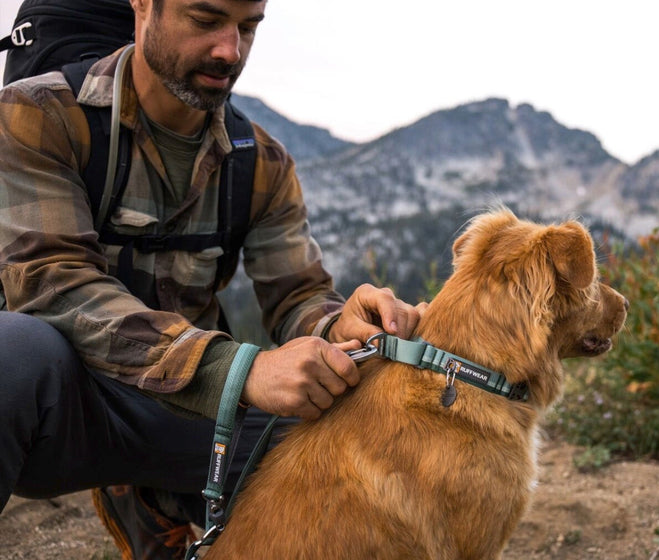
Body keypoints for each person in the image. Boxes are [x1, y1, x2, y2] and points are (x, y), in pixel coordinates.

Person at [0, 0, 423, 557]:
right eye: (205, 19)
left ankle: (160, 504)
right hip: (71, 410)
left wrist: (337, 324)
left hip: (190, 411)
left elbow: (296, 294)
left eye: (249, 27)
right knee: (13, 352)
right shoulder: (38, 114)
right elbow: (56, 284)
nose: (231, 50)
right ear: (143, 7)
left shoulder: (262, 164)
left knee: (350, 442)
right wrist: (241, 371)